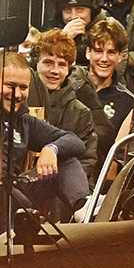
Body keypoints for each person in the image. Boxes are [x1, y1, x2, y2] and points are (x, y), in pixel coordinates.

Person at [0, 51, 89, 227]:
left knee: (65, 158)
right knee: (16, 201)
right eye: (10, 85)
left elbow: (75, 142)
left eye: (23, 88)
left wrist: (51, 149)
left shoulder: (24, 121)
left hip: (18, 189)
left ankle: (83, 212)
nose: (17, 94)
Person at [29, 28, 106, 186]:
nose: (55, 71)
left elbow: (87, 160)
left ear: (69, 69)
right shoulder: (19, 101)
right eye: (48, 62)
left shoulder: (80, 112)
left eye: (62, 65)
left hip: (60, 190)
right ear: (35, 63)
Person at [83, 18, 134, 163]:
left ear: (120, 56)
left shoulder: (128, 101)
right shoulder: (71, 87)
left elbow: (122, 152)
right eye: (99, 51)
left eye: (111, 52)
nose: (104, 59)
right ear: (88, 52)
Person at [54, 0, 98, 66]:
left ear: (92, 11)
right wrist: (63, 38)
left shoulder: (107, 29)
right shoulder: (49, 31)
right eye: (67, 10)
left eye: (80, 9)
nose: (74, 16)